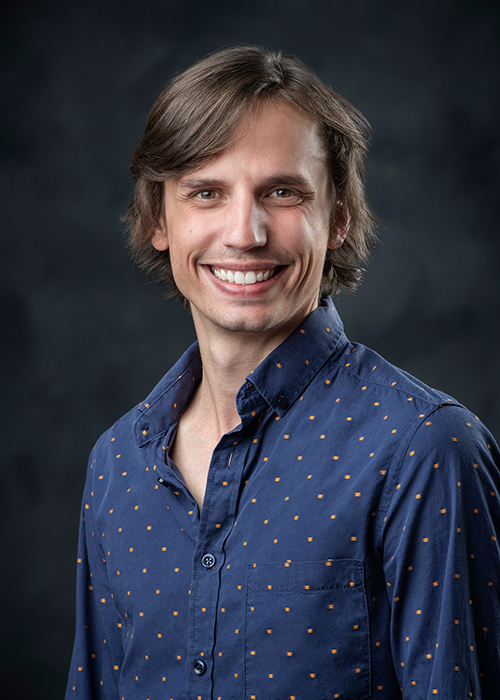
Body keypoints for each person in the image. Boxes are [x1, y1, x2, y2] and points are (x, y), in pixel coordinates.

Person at [66, 45, 500, 699]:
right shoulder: (116, 465)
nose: (245, 232)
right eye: (206, 192)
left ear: (339, 221)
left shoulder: (425, 449)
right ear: (160, 220)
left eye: (284, 192)